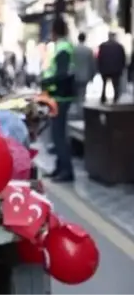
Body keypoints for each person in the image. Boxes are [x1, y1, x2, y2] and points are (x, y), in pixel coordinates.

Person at [41, 18, 75, 183]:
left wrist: (47, 82)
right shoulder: (63, 46)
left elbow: (62, 74)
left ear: (55, 31)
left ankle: (66, 170)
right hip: (59, 96)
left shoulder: (62, 48)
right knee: (57, 135)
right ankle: (60, 167)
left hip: (61, 97)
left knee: (58, 135)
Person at [97, 31, 126, 104]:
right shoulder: (119, 46)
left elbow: (99, 58)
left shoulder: (103, 46)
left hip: (105, 69)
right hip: (116, 70)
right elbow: (123, 58)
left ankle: (103, 98)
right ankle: (115, 99)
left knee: (104, 84)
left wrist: (99, 67)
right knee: (116, 85)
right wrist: (121, 68)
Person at [72, 32, 96, 114]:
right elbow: (92, 63)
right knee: (83, 93)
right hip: (85, 75)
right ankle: (81, 110)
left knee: (76, 94)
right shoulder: (88, 50)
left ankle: (77, 109)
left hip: (75, 75)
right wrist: (92, 76)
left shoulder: (74, 49)